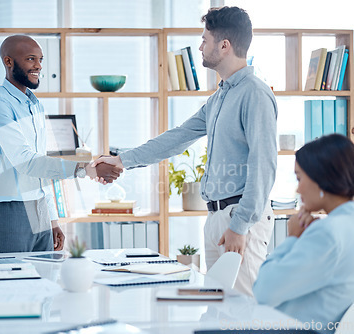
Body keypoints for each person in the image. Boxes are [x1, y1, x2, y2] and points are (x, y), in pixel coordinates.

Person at [93, 6, 277, 295]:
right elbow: (177, 137)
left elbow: (263, 166)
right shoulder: (219, 97)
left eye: (205, 40)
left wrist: (240, 226)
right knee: (218, 307)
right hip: (216, 217)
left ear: (224, 46)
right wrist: (121, 159)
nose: (201, 47)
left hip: (240, 218)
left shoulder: (254, 93)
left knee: (242, 310)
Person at [0, 34, 122, 253]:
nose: (38, 66)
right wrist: (85, 170)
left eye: (40, 59)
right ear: (8, 62)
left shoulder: (34, 105)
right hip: (8, 210)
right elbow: (25, 161)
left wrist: (52, 219)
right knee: (11, 283)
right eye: (30, 59)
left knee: (43, 279)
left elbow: (41, 166)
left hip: (39, 208)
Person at [253, 134, 354, 333]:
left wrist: (292, 238)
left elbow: (263, 291)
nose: (298, 189)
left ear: (322, 178)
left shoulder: (326, 233)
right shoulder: (343, 225)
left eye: (299, 178)